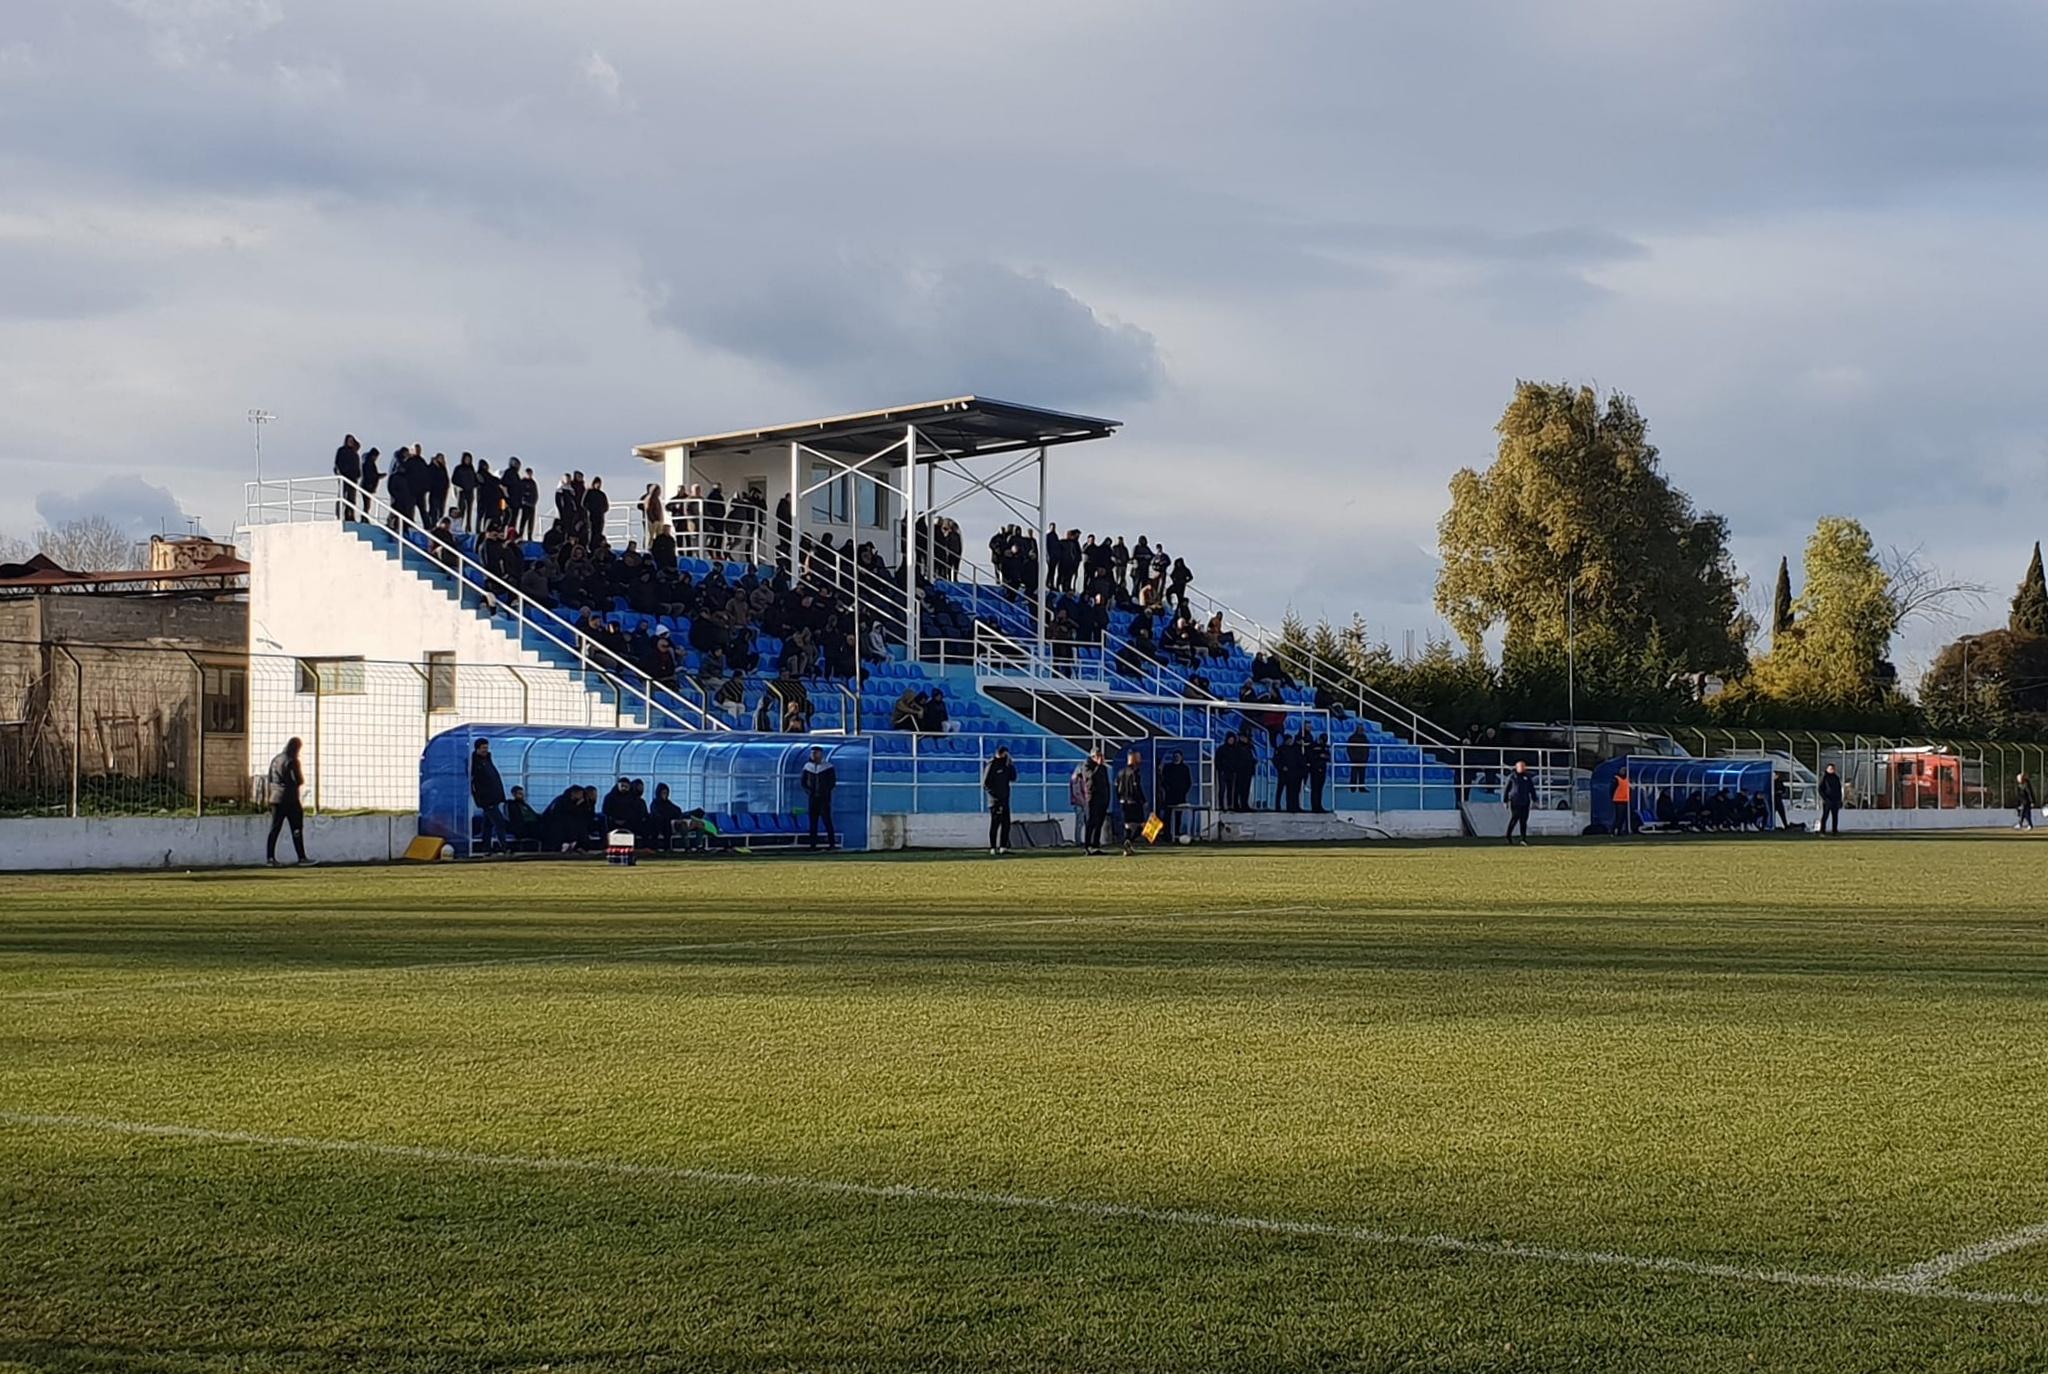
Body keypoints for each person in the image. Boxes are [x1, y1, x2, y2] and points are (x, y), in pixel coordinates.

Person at [264, 737, 309, 866]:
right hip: (289, 799)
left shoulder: (276, 759)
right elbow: (298, 780)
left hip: (275, 797)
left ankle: (270, 858)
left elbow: (270, 778)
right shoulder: (292, 761)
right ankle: (301, 857)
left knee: (275, 828)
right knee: (296, 828)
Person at [469, 738, 510, 855]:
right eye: (483, 748)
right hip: (487, 799)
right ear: (477, 748)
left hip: (494, 797)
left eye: (486, 748)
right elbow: (474, 781)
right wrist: (480, 797)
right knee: (499, 822)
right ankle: (504, 847)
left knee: (488, 824)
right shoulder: (475, 763)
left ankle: (486, 847)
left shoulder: (487, 760)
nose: (485, 750)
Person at [801, 746, 838, 850]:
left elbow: (832, 782)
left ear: (821, 754)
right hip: (813, 798)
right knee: (813, 822)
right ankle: (813, 845)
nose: (814, 755)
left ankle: (832, 844)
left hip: (824, 799)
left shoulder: (828, 767)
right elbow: (803, 782)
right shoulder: (807, 767)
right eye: (812, 753)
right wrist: (809, 792)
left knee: (827, 821)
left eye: (816, 753)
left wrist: (825, 791)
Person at [983, 745, 1017, 855]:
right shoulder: (992, 764)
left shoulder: (1006, 764)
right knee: (995, 824)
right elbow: (986, 783)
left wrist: (1011, 765)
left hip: (1005, 799)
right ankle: (993, 848)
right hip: (995, 801)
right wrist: (995, 797)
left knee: (1006, 824)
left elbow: (1013, 778)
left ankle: (1003, 847)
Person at [1115, 749, 1148, 856]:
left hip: (1123, 802)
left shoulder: (1120, 772)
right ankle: (1128, 842)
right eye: (1138, 757)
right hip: (1134, 802)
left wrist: (1119, 798)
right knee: (1141, 825)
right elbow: (1136, 789)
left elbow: (1117, 788)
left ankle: (1127, 847)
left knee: (1128, 825)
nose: (1140, 759)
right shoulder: (1134, 773)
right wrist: (1143, 801)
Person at [1083, 749, 1112, 854]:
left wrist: (1107, 798)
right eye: (1098, 756)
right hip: (1092, 799)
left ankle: (1096, 845)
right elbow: (1091, 777)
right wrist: (1098, 766)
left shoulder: (1103, 768)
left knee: (1099, 823)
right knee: (1091, 822)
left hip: (1102, 799)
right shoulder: (1087, 766)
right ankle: (1088, 845)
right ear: (1093, 756)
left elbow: (1106, 784)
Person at [1160, 748, 1192, 840]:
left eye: (1178, 756)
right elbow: (1164, 781)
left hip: (1181, 796)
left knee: (1178, 816)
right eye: (1175, 756)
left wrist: (1183, 792)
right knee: (1168, 816)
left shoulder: (1185, 768)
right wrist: (1168, 790)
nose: (1176, 758)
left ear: (1182, 757)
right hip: (1169, 796)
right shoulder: (1168, 768)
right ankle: (1167, 834)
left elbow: (1188, 782)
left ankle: (1177, 833)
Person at [1504, 759, 1536, 845]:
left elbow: (1532, 789)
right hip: (1515, 801)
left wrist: (1534, 799)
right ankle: (1508, 835)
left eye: (1524, 766)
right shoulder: (1512, 777)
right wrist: (1505, 800)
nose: (1522, 768)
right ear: (1517, 767)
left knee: (1524, 821)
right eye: (1521, 766)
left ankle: (1523, 839)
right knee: (1514, 818)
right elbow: (1506, 789)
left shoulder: (1527, 777)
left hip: (1525, 801)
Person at [648, 782, 684, 852]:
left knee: (667, 826)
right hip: (656, 824)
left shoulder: (668, 803)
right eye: (663, 793)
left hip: (666, 824)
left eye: (666, 793)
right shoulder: (655, 803)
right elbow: (658, 814)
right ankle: (654, 847)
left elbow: (677, 810)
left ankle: (667, 847)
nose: (665, 795)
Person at [333, 435, 361, 520]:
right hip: (343, 477)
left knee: (351, 498)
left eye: (352, 441)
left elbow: (357, 466)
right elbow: (337, 463)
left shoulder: (355, 454)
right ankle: (338, 515)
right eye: (349, 440)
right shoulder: (341, 451)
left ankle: (350, 516)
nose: (351, 442)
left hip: (353, 478)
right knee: (342, 496)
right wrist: (340, 473)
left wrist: (358, 474)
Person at [506, 784, 543, 848]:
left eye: (522, 793)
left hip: (532, 824)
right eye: (520, 793)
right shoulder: (512, 805)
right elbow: (517, 819)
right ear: (514, 794)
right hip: (525, 827)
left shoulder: (524, 805)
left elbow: (534, 815)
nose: (522, 795)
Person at [1068, 757, 1091, 846]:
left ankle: (1083, 840)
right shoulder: (1076, 779)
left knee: (1082, 823)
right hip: (1080, 804)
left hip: (1080, 803)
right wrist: (1085, 803)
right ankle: (1079, 841)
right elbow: (1077, 793)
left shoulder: (1076, 779)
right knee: (1080, 823)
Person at [1818, 763, 1842, 836]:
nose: (1832, 770)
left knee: (1835, 816)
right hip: (1827, 800)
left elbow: (1839, 789)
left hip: (1835, 800)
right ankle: (1822, 831)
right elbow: (1820, 789)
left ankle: (1835, 831)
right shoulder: (1824, 777)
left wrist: (1840, 799)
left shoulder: (1836, 777)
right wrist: (1825, 798)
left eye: (1833, 769)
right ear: (1827, 769)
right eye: (1830, 769)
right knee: (1825, 815)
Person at [1610, 767, 1633, 837]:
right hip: (1618, 800)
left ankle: (1619, 831)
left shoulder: (1627, 779)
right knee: (1619, 817)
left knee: (1623, 817)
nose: (1624, 772)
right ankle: (1613, 831)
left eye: (1625, 770)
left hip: (1625, 800)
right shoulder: (1616, 778)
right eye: (1623, 770)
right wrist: (1612, 797)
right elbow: (1612, 789)